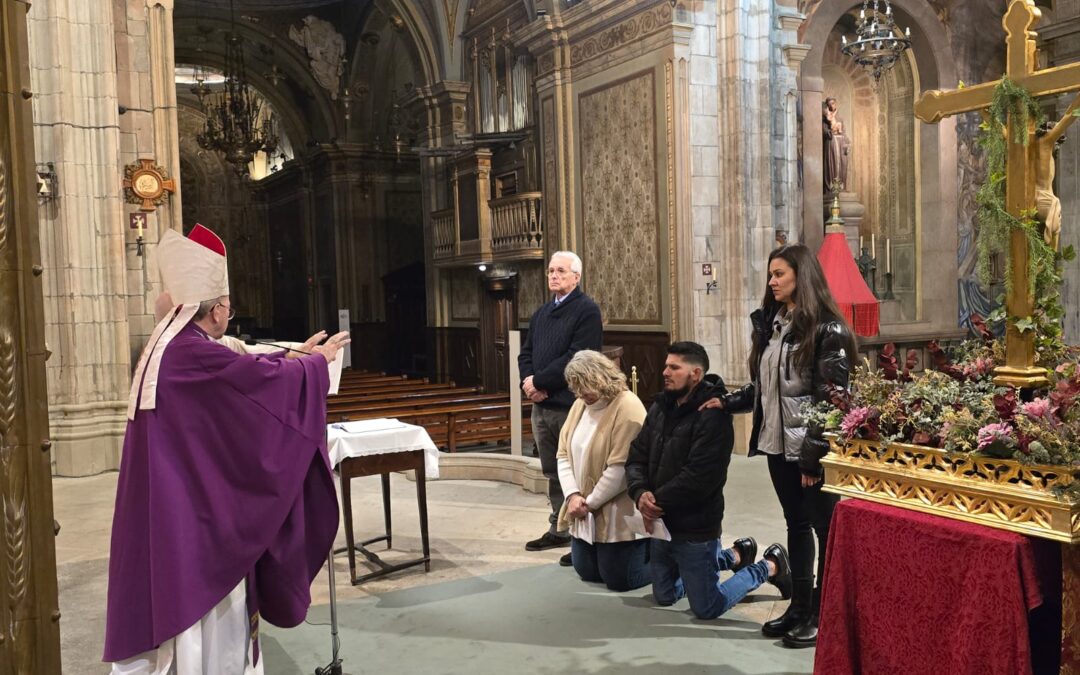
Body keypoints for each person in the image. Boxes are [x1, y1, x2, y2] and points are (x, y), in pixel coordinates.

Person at [104, 225, 350, 674]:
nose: (229, 316)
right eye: (228, 309)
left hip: (171, 503)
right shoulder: (192, 352)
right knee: (206, 627)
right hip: (196, 518)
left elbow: (237, 376)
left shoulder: (173, 345)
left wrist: (293, 359)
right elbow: (246, 386)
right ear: (216, 310)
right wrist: (316, 366)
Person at [704, 243, 857, 648]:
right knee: (796, 524)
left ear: (800, 277)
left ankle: (824, 614)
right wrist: (730, 401)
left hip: (809, 451)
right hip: (777, 444)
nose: (771, 281)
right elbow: (766, 386)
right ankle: (800, 607)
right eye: (770, 274)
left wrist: (813, 457)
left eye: (779, 274)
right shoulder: (774, 324)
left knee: (826, 531)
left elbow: (834, 401)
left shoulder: (829, 329)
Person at [625, 342, 792, 620]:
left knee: (707, 607)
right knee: (664, 595)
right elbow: (636, 456)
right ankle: (737, 554)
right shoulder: (659, 407)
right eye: (666, 365)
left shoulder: (713, 415)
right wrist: (640, 492)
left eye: (674, 367)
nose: (665, 371)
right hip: (661, 524)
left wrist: (655, 502)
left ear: (696, 374)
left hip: (695, 526)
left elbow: (700, 477)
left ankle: (770, 565)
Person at [519, 251, 603, 563]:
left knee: (578, 471)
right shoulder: (541, 313)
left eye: (561, 271)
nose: (554, 276)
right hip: (541, 407)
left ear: (576, 277)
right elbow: (525, 353)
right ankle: (559, 526)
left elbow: (577, 356)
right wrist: (527, 383)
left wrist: (540, 382)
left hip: (570, 405)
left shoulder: (587, 311)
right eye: (551, 271)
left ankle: (583, 537)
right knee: (552, 471)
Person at [556, 350, 650, 591]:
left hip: (616, 506)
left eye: (584, 386)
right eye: (575, 388)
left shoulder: (628, 406)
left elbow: (621, 468)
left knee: (619, 580)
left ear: (601, 377)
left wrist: (589, 503)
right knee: (587, 572)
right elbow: (563, 454)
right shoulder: (579, 405)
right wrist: (572, 496)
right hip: (582, 506)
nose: (580, 394)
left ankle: (670, 560)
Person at [822, 97, 850, 193]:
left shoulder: (840, 118)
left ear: (836, 104)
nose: (832, 105)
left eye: (833, 103)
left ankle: (841, 186)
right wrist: (830, 128)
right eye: (829, 104)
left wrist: (846, 142)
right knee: (832, 163)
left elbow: (844, 132)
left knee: (842, 163)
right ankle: (831, 187)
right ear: (827, 106)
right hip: (831, 142)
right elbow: (824, 131)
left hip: (841, 142)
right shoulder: (825, 118)